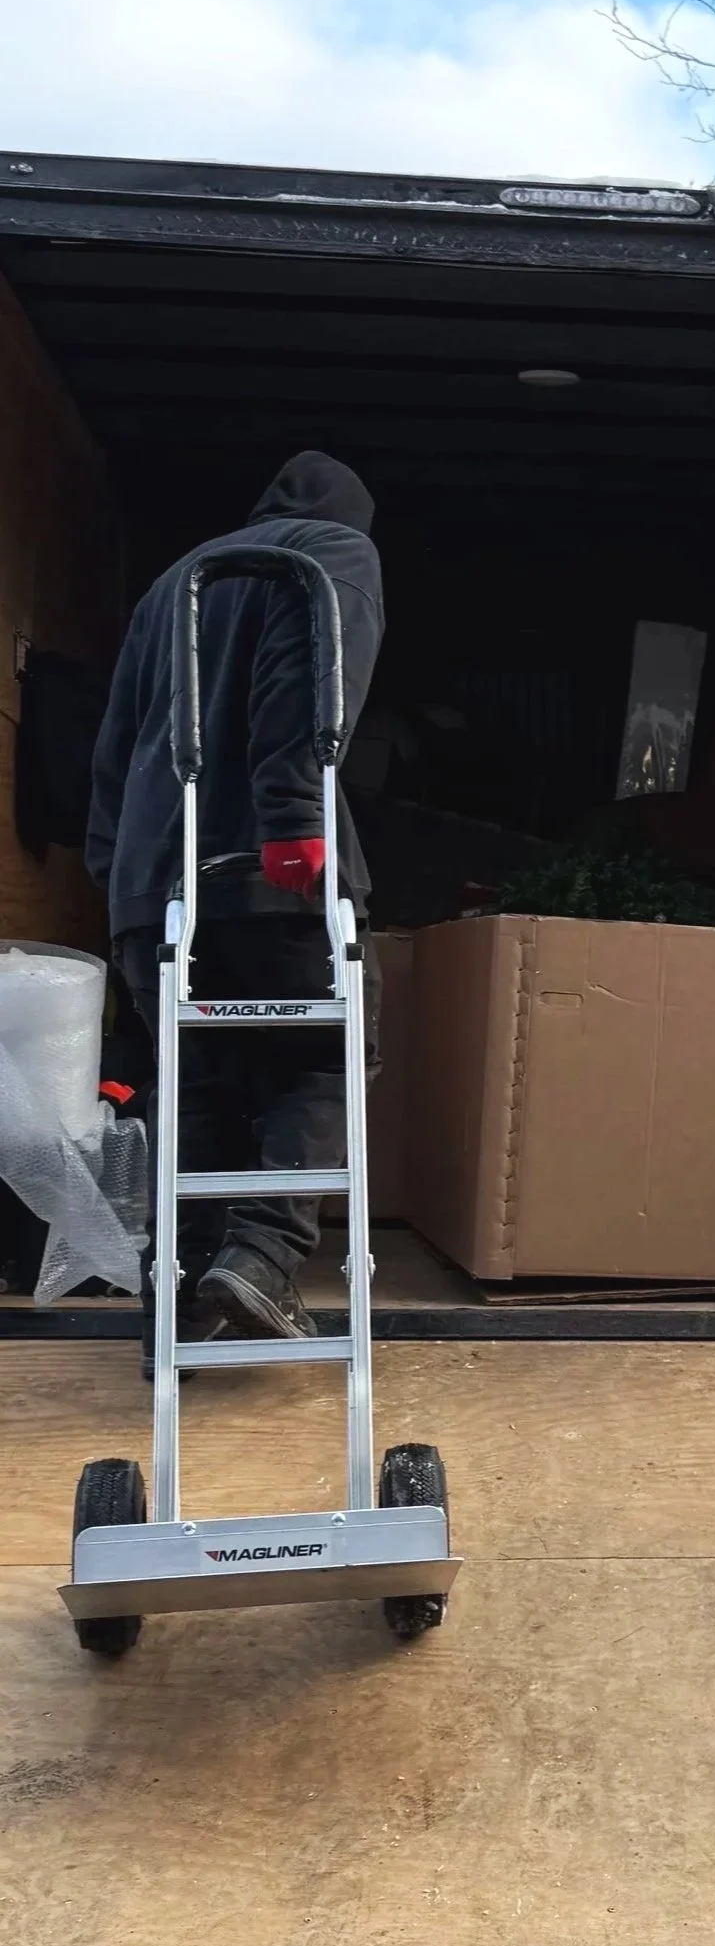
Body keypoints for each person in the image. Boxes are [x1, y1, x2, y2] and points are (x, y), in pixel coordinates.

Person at [86, 451, 383, 1355]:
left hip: (152, 881)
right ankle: (260, 1256)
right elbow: (310, 672)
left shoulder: (172, 585)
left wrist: (114, 869)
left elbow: (116, 737)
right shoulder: (333, 552)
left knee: (195, 1082)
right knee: (326, 1056)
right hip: (268, 871)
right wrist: (293, 817)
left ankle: (176, 1311)